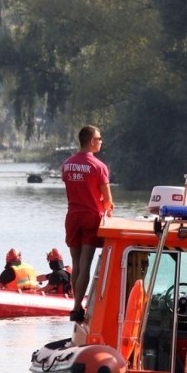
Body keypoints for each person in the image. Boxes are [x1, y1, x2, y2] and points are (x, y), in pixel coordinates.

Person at [62, 124, 115, 322]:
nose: (101, 141)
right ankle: (77, 308)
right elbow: (107, 199)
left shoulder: (67, 164)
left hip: (73, 215)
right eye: (99, 138)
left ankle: (74, 304)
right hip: (91, 216)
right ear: (91, 141)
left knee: (76, 264)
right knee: (86, 263)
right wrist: (108, 207)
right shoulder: (99, 167)